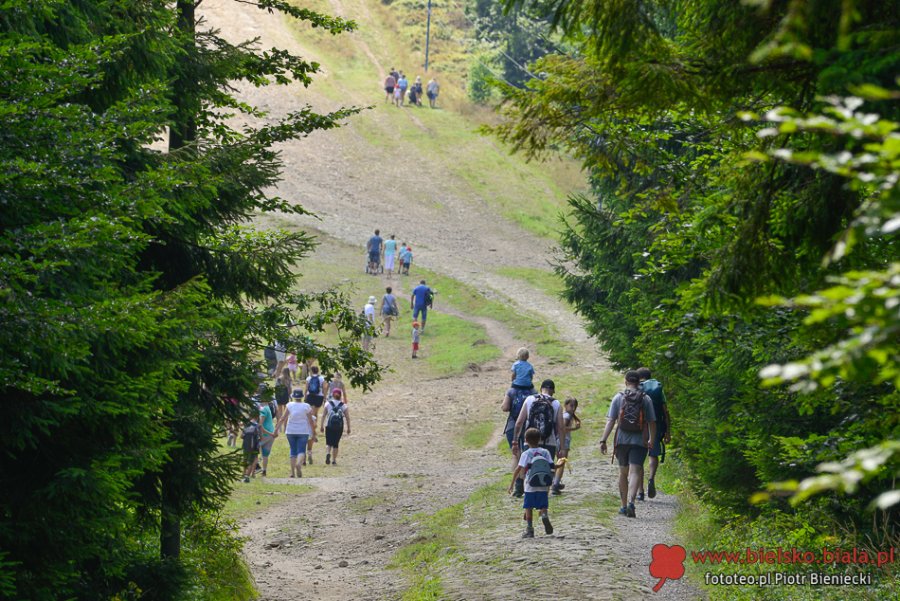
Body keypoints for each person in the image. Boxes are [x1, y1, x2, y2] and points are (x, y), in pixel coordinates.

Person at [599, 371, 657, 518]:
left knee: (623, 473)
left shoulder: (619, 397)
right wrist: (652, 439)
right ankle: (632, 502)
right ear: (639, 383)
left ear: (626, 382)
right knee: (635, 471)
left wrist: (603, 439)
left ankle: (623, 506)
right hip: (640, 441)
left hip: (621, 441)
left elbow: (611, 421)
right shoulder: (646, 399)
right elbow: (652, 422)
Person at [512, 379, 567, 492]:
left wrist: (515, 441)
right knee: (547, 471)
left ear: (541, 388)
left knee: (529, 468)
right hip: (549, 442)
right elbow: (561, 428)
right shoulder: (556, 404)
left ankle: (525, 492)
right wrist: (561, 447)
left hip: (530, 441)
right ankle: (543, 501)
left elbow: (518, 423)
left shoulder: (529, 399)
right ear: (552, 391)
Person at [508, 428, 554, 538]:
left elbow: (518, 469)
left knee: (528, 507)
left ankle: (530, 529)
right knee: (543, 505)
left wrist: (512, 484)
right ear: (539, 439)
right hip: (543, 484)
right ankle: (544, 515)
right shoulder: (545, 452)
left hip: (530, 485)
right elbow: (552, 467)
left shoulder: (526, 453)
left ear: (526, 440)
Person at [638, 367, 670, 501]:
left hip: (641, 426)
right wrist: (668, 431)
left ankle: (640, 492)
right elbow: (665, 411)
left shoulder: (639, 388)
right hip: (656, 425)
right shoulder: (658, 389)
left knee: (638, 459)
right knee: (653, 454)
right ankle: (651, 478)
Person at [501, 380, 535, 497]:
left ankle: (518, 485)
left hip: (512, 425)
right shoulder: (533, 392)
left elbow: (505, 407)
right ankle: (527, 484)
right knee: (528, 454)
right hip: (528, 426)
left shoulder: (511, 391)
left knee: (516, 454)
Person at [281, 389, 316, 477]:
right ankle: (299, 464)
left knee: (293, 451)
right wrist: (314, 432)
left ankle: (292, 473)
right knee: (301, 450)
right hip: (303, 431)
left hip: (291, 431)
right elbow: (311, 421)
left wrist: (276, 429)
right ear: (302, 397)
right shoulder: (306, 406)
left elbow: (283, 418)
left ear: (293, 396)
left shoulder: (289, 405)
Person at [552, 398, 581, 495]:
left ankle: (556, 481)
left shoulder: (565, 415)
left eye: (575, 406)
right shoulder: (567, 416)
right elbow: (563, 428)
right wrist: (574, 428)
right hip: (564, 440)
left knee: (559, 461)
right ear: (566, 405)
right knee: (562, 462)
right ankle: (555, 483)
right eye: (571, 406)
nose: (573, 408)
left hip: (559, 440)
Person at [321, 388, 351, 465]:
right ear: (340, 395)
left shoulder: (327, 404)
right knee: (335, 444)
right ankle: (334, 460)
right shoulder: (343, 405)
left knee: (328, 443)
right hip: (339, 427)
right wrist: (348, 428)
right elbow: (347, 417)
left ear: (333, 395)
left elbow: (324, 415)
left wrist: (321, 425)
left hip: (329, 425)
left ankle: (328, 453)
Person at [258, 398, 278, 476]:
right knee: (265, 454)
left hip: (266, 434)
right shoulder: (268, 408)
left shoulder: (263, 410)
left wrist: (263, 434)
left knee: (253, 450)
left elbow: (260, 425)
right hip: (271, 432)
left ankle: (255, 467)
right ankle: (264, 470)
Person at [241, 410, 261, 483]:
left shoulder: (246, 424)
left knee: (245, 459)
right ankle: (248, 475)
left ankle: (243, 473)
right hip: (254, 446)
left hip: (245, 445)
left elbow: (241, 436)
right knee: (252, 461)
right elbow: (260, 437)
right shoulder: (258, 425)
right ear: (257, 416)